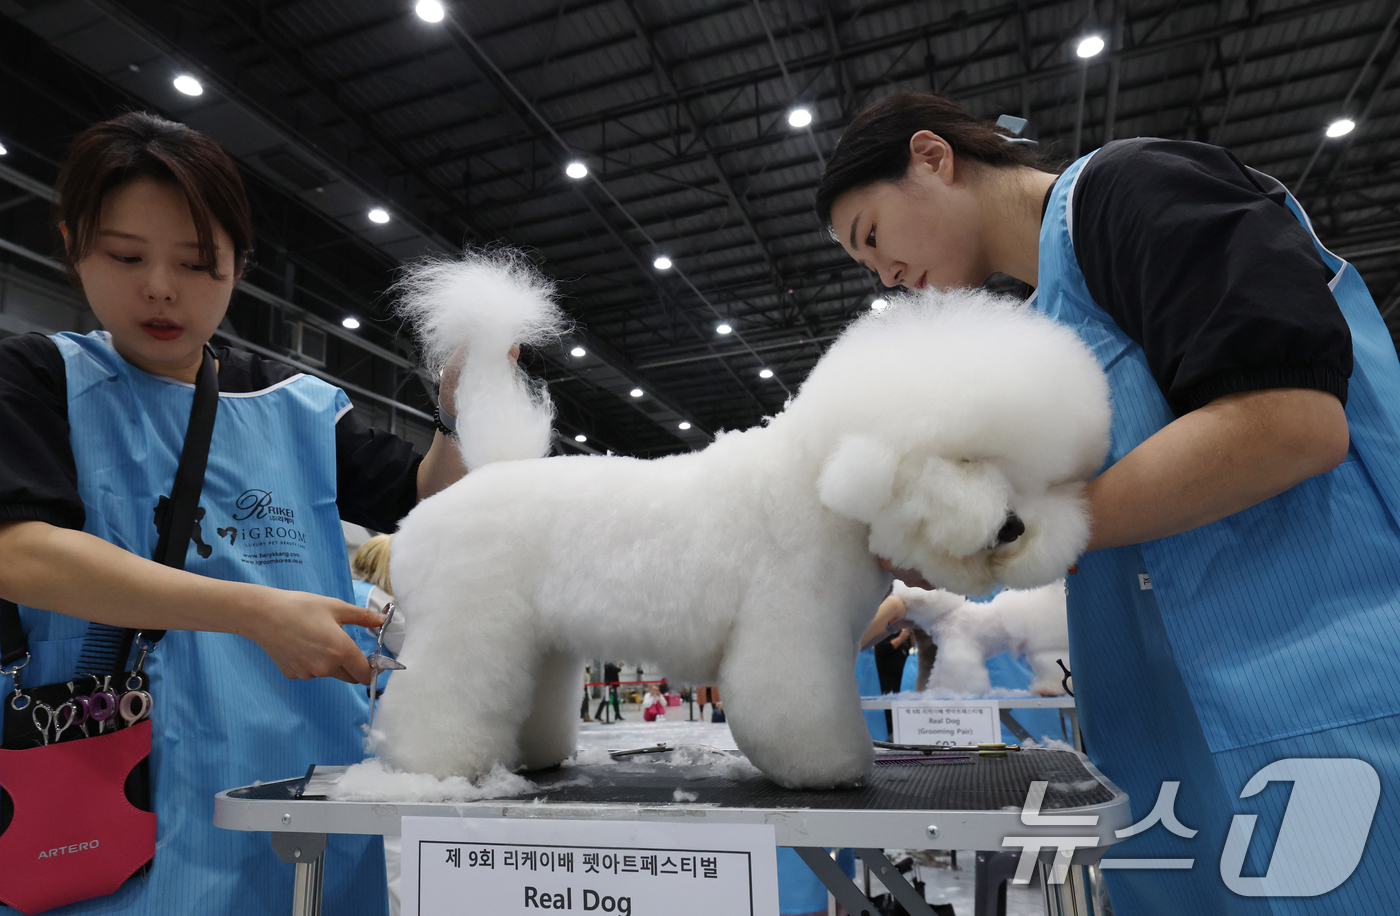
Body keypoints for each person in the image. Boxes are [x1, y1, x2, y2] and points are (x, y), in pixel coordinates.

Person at [817, 92, 1400, 912]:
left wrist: (1010, 537)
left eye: (871, 235)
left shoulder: (1131, 189)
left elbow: (1292, 421)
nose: (880, 272)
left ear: (932, 156)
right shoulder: (1043, 324)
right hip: (1168, 733)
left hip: (1323, 692)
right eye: (861, 263)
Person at [0, 112, 478, 914]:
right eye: (125, 256)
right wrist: (253, 610)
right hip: (109, 792)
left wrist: (462, 412)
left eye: (197, 263)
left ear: (237, 266)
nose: (160, 286)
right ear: (71, 242)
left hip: (303, 787)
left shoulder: (297, 407)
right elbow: (18, 551)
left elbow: (433, 499)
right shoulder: (39, 379)